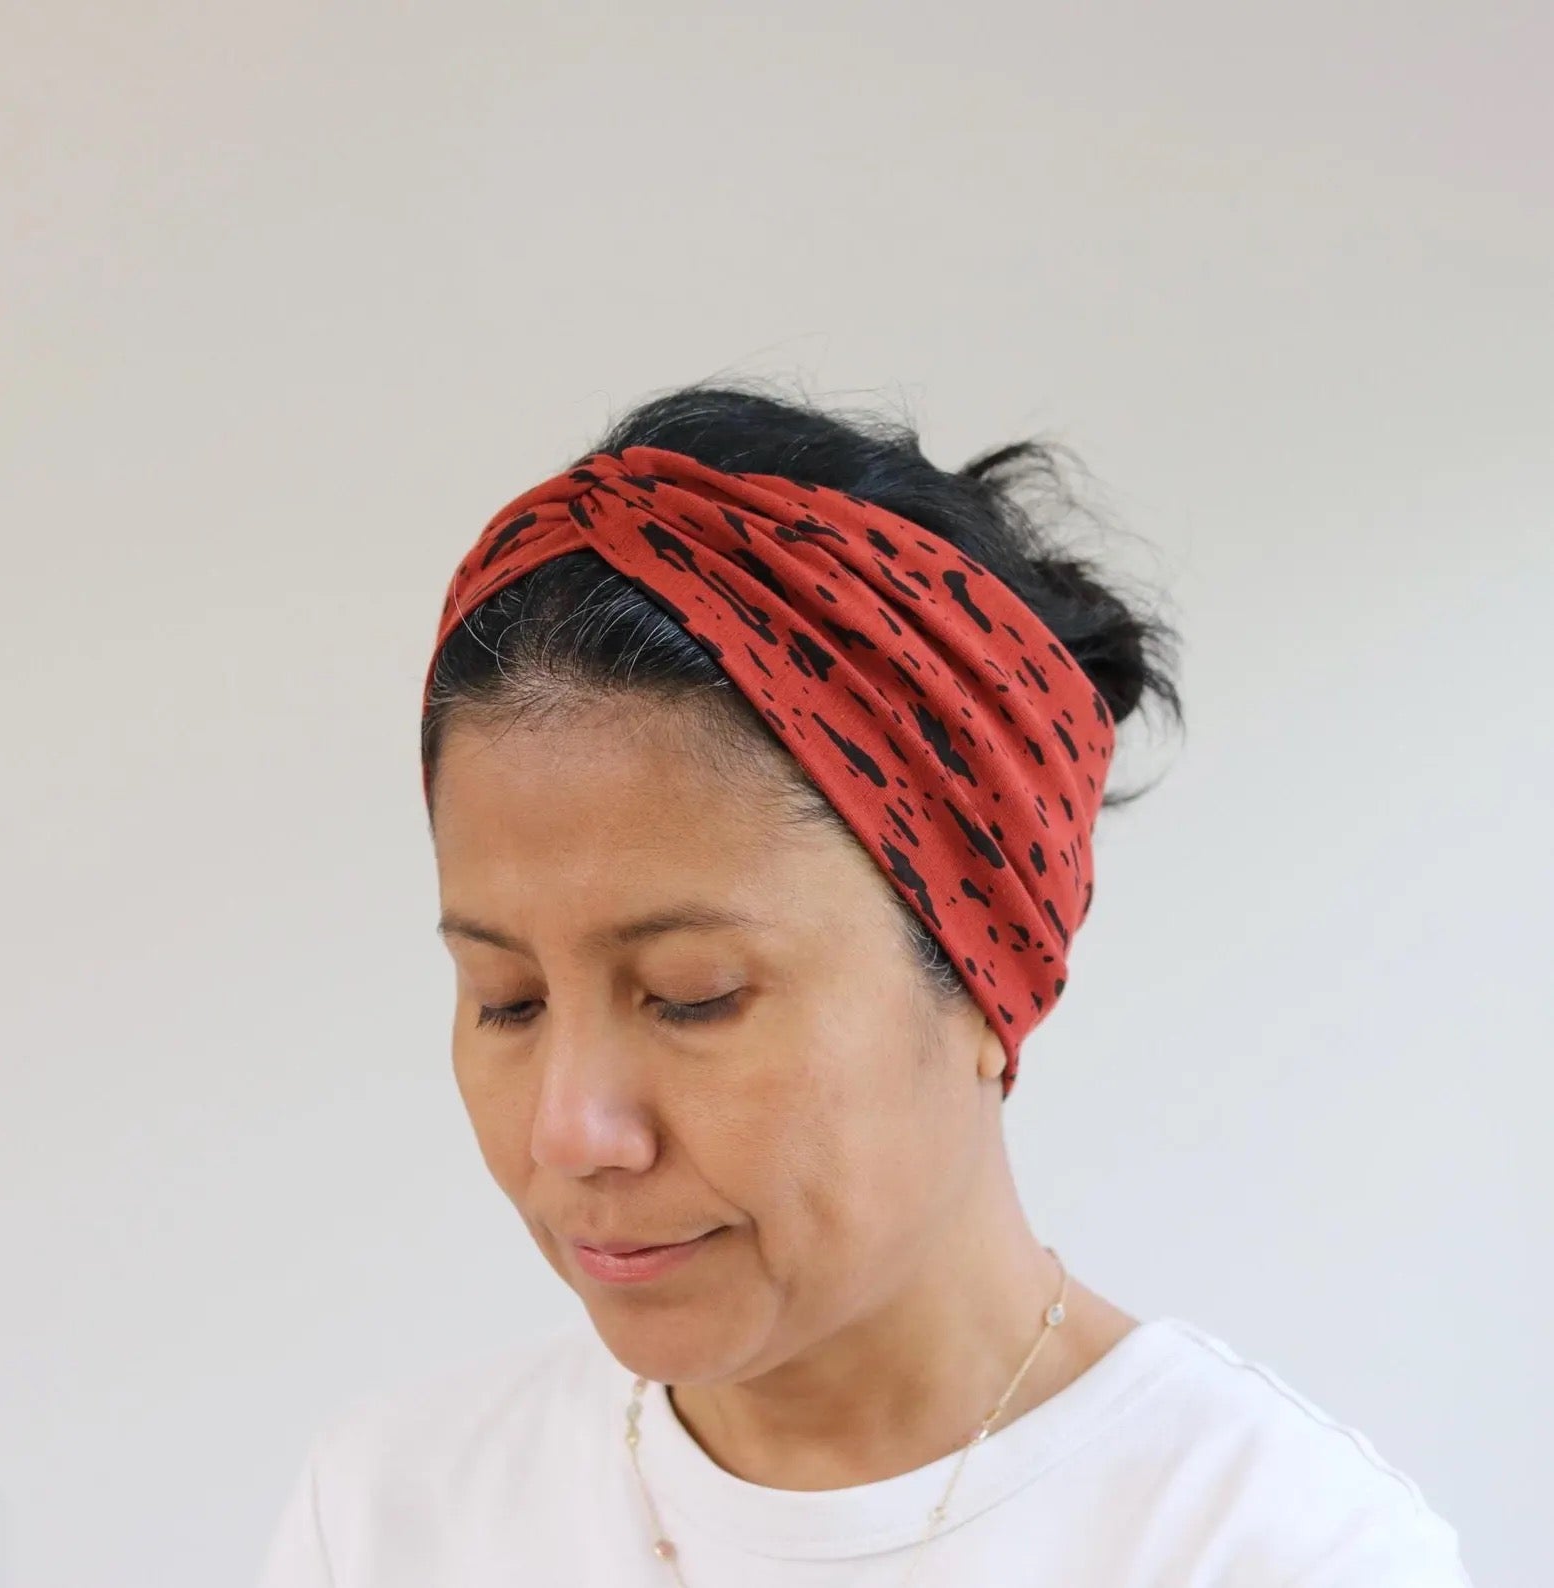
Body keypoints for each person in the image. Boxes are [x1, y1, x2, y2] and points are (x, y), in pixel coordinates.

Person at [254, 380, 1472, 1586]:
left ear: (987, 981)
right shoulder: (390, 1517)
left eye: (691, 995)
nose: (571, 1132)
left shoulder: (1271, 1551)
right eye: (506, 999)